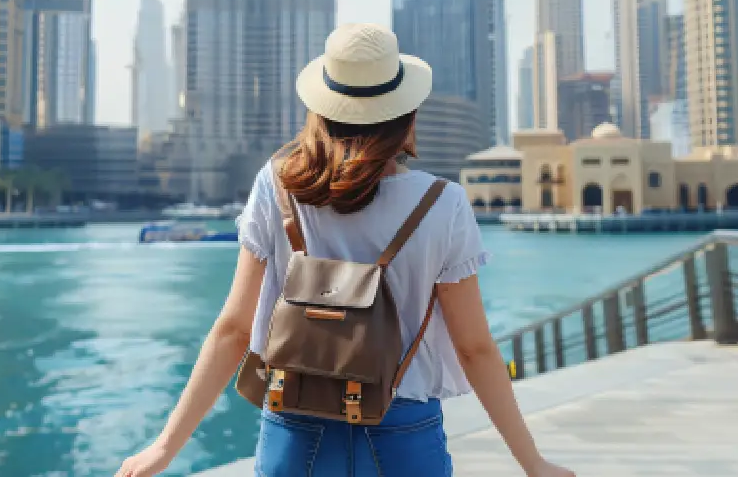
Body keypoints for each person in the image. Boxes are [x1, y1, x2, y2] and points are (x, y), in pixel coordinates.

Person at [115, 24, 575, 477]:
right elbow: (474, 349)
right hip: (403, 433)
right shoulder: (443, 203)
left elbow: (233, 330)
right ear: (406, 116)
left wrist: (164, 449)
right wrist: (532, 464)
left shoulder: (276, 186)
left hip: (295, 433)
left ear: (322, 111)